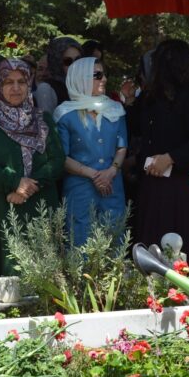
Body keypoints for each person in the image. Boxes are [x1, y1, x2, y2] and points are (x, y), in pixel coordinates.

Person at [130, 39, 189, 272]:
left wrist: (171, 157)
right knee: (156, 247)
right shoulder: (151, 97)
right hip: (156, 186)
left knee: (185, 247)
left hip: (184, 188)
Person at [0, 59, 64, 276]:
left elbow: (57, 160)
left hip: (40, 203)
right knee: (7, 268)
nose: (16, 88)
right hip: (3, 205)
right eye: (9, 82)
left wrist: (29, 186)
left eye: (22, 81)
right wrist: (14, 182)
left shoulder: (43, 119)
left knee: (43, 271)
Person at [54, 57, 128, 245]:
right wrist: (94, 175)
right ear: (80, 78)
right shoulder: (64, 113)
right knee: (80, 244)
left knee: (114, 241)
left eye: (104, 75)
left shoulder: (115, 109)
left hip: (112, 186)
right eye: (97, 75)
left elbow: (122, 146)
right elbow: (61, 156)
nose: (103, 79)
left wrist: (111, 171)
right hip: (80, 189)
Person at [34, 36, 81, 115]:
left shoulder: (83, 85)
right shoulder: (47, 89)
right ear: (57, 62)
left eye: (78, 60)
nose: (74, 65)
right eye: (67, 61)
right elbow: (48, 124)